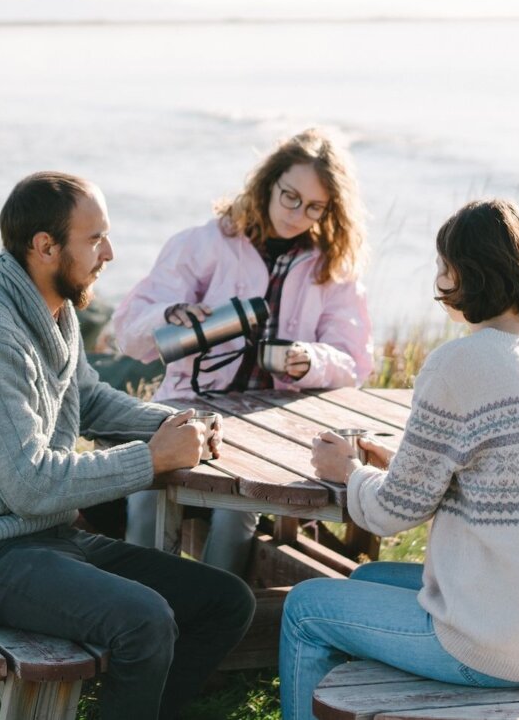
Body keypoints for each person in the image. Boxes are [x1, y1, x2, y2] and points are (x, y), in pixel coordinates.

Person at [0, 171, 257, 719]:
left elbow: (88, 401)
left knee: (225, 601)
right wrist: (153, 459)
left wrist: (177, 423)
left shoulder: (51, 310)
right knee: (144, 620)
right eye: (94, 239)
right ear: (44, 246)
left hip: (38, 539)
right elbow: (30, 484)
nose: (109, 252)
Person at [280, 198, 519, 720]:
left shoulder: (457, 363)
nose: (437, 278)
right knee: (367, 582)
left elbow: (391, 513)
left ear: (466, 273)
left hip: (495, 648)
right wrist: (400, 461)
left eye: (442, 265)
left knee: (305, 607)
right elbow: (489, 471)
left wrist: (349, 472)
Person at [110, 128, 374, 574]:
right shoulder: (205, 243)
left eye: (314, 207)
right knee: (148, 503)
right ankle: (145, 615)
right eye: (290, 196)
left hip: (267, 424)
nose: (297, 214)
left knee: (238, 512)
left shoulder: (332, 267)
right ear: (268, 182)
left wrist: (310, 360)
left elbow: (355, 364)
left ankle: (213, 621)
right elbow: (128, 335)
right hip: (185, 407)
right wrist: (172, 315)